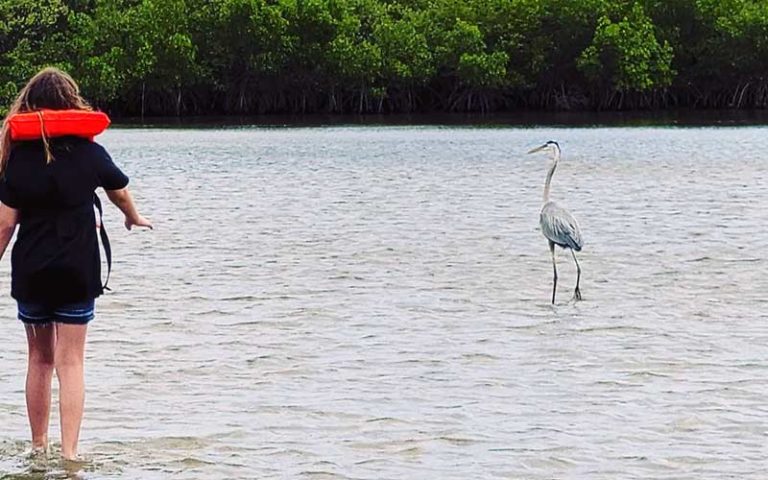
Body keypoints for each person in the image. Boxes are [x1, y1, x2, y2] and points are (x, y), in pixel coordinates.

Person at [0, 67, 152, 460]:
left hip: (32, 273)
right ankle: (69, 454)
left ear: (30, 106)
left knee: (39, 358)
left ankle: (38, 446)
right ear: (72, 103)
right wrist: (133, 217)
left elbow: (4, 225)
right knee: (71, 363)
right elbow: (119, 192)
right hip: (76, 272)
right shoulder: (90, 153)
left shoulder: (18, 159)